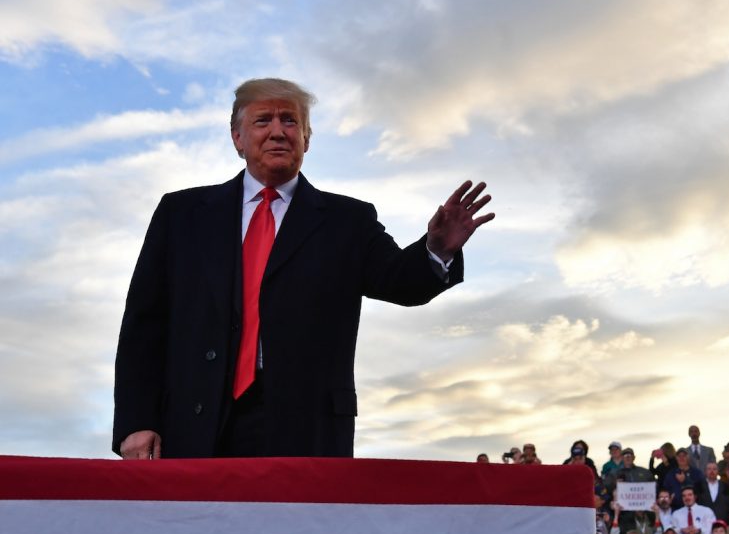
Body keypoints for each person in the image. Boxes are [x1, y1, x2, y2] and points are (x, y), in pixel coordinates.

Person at [113, 78, 493, 459]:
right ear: (237, 138)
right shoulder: (181, 215)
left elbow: (401, 282)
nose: (278, 131)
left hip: (306, 428)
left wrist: (436, 249)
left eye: (290, 121)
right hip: (193, 423)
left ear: (307, 139)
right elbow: (145, 325)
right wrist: (135, 421)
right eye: (263, 120)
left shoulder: (347, 221)